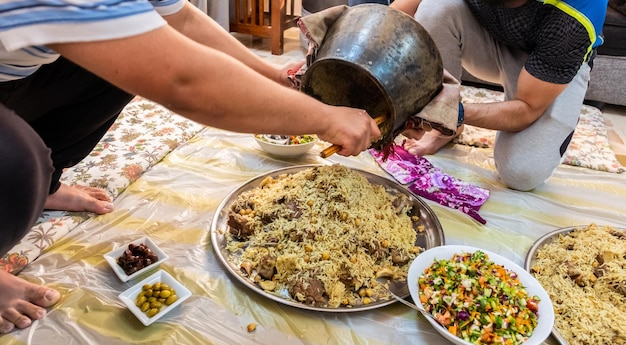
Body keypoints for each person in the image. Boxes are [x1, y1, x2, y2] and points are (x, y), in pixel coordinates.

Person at [0, 0, 382, 334]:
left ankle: (48, 183)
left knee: (122, 55)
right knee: (17, 160)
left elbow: (179, 21)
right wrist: (325, 119)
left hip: (17, 74)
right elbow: (181, 79)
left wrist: (275, 76)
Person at [390, 0, 608, 191]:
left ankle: (562, 110)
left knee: (521, 173)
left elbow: (527, 107)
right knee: (433, 7)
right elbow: (397, 14)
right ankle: (445, 131)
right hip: (489, 39)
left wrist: (452, 113)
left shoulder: (577, 14)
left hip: (549, 64)